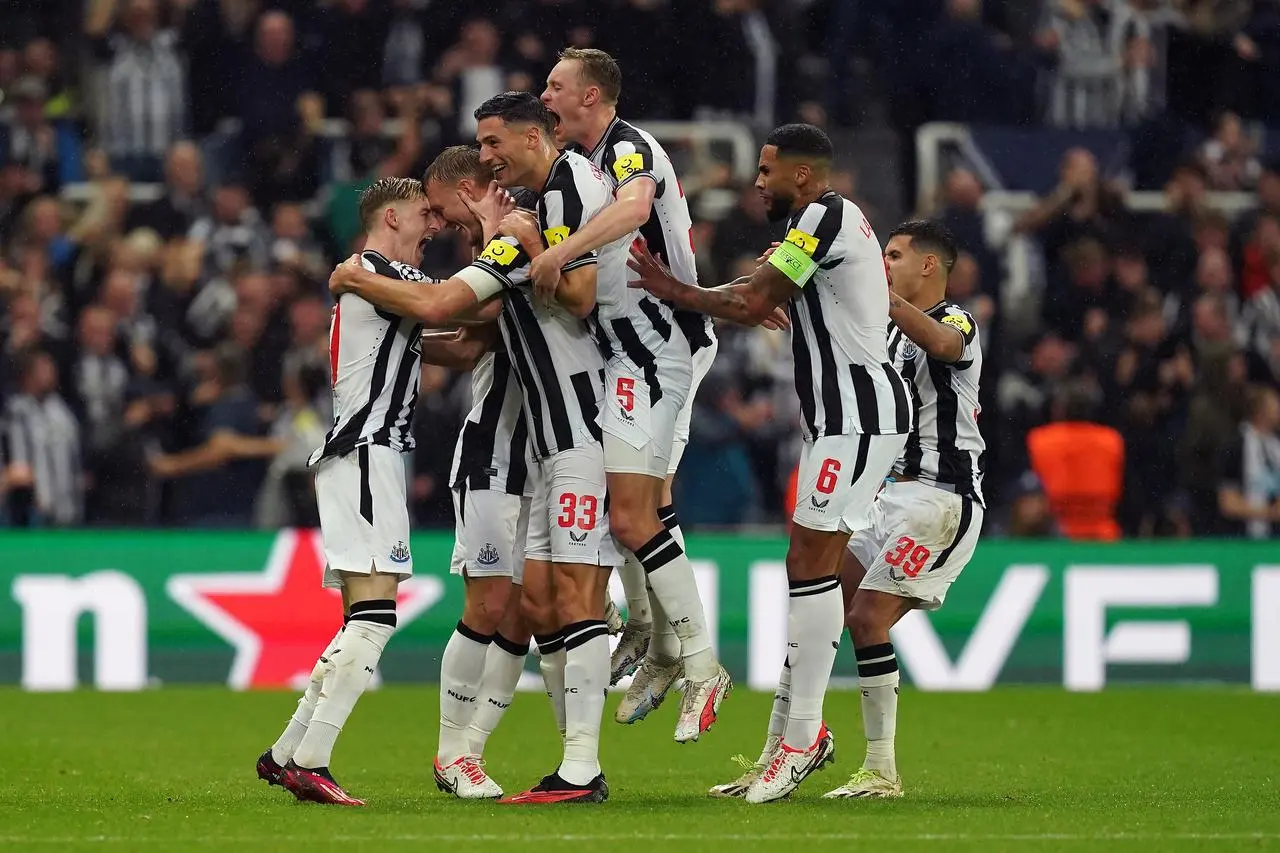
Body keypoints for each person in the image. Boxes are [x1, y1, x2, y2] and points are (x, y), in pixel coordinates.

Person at [331, 92, 621, 804]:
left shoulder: (519, 227)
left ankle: (502, 755)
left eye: (439, 210)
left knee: (531, 606)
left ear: (467, 190)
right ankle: (454, 751)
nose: (437, 225)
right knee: (492, 601)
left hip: (549, 440)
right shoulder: (510, 233)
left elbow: (464, 316)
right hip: (494, 444)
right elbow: (469, 330)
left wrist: (355, 279)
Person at [629, 123, 913, 803]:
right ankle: (784, 743)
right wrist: (728, 289)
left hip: (860, 415)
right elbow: (759, 288)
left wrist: (672, 289)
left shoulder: (823, 215)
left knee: (813, 567)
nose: (757, 182)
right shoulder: (822, 224)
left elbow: (754, 300)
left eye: (767, 171)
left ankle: (803, 737)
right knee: (806, 568)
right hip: (841, 420)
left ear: (805, 177)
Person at [536, 46, 731, 739]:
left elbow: (637, 205)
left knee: (633, 514)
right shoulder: (583, 165)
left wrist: (558, 252)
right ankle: (663, 641)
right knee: (634, 510)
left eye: (555, 87)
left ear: (591, 96)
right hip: (626, 351)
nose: (545, 96)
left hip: (657, 348)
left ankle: (694, 660)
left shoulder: (627, 148)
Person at [255, 176, 440, 806]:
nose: (434, 223)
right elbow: (461, 304)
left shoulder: (374, 280)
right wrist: (506, 237)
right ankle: (312, 760)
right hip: (367, 453)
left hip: (360, 456)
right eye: (424, 213)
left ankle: (287, 753)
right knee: (376, 617)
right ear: (390, 217)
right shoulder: (377, 270)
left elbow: (458, 335)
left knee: (357, 622)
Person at [820, 220, 986, 799]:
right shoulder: (885, 334)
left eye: (892, 255)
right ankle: (798, 741)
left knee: (867, 620)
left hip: (940, 500)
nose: (883, 262)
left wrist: (880, 297)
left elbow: (946, 347)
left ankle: (881, 770)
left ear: (929, 267)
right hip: (886, 498)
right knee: (820, 606)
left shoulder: (955, 319)